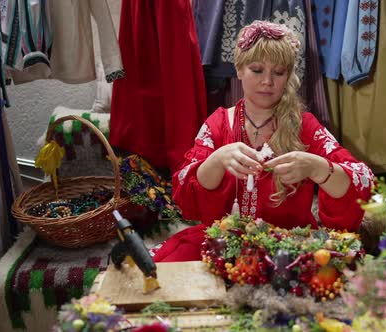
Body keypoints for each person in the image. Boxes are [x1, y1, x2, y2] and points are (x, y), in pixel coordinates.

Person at [153, 21, 374, 262]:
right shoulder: (217, 124)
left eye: (278, 72)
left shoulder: (306, 126)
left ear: (288, 75)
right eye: (257, 70)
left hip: (290, 252)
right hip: (222, 245)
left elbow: (360, 181)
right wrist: (217, 160)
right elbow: (187, 193)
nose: (267, 81)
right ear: (238, 69)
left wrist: (317, 167)